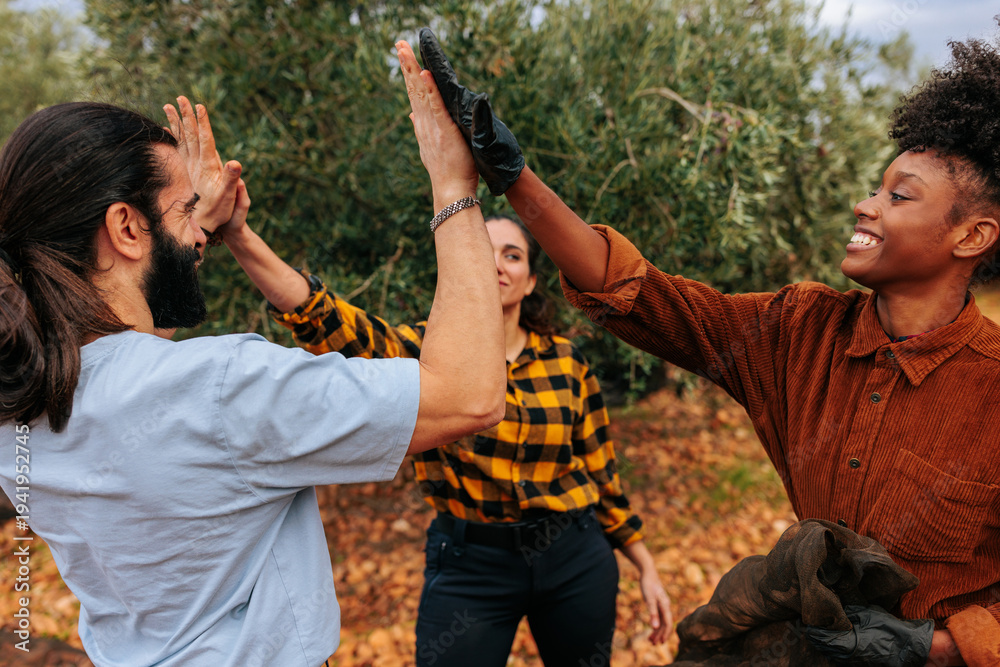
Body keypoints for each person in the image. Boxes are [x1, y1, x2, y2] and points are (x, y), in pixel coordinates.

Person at [417, 25, 1000, 667]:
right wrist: (515, 177)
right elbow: (641, 296)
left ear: (971, 237)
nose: (865, 205)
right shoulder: (798, 330)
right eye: (874, 186)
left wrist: (934, 648)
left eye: (899, 196)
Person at [0, 40, 506, 667]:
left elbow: (133, 362)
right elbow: (469, 396)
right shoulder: (222, 386)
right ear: (127, 229)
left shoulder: (20, 402)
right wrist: (453, 187)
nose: (196, 228)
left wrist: (202, 230)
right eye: (185, 211)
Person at [223, 205, 672, 665]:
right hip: (472, 564)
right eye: (484, 251)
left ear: (531, 281)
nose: (497, 263)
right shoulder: (426, 353)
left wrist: (645, 566)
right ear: (465, 262)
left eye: (513, 255)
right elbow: (329, 321)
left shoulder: (567, 361)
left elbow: (602, 473)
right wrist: (238, 234)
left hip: (575, 556)